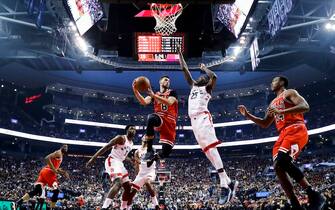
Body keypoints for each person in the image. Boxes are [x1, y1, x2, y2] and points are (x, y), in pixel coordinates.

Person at [238, 76, 326, 210]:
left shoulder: (289, 92)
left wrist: (282, 111)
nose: (272, 83)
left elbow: (305, 106)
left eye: (274, 80)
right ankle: (295, 204)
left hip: (296, 128)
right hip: (282, 134)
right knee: (278, 168)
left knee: (283, 161)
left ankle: (313, 194)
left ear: (282, 82)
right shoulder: (272, 103)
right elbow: (264, 123)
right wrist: (248, 115)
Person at [177, 46, 238, 205]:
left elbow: (214, 77)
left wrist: (206, 69)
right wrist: (179, 53)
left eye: (202, 76)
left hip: (203, 118)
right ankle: (228, 181)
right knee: (207, 152)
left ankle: (224, 185)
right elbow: (184, 69)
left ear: (205, 80)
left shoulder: (207, 88)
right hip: (194, 121)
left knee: (211, 148)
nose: (199, 77)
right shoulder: (194, 86)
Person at [86, 125, 136, 210]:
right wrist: (93, 158)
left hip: (120, 163)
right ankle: (104, 207)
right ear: (127, 130)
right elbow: (106, 147)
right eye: (131, 128)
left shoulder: (131, 143)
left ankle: (123, 207)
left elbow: (123, 155)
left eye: (134, 129)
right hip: (112, 160)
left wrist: (130, 160)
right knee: (118, 182)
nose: (133, 130)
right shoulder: (121, 138)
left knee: (128, 187)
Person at [133, 75, 178, 166]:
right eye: (165, 80)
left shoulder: (172, 92)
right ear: (160, 82)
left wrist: (153, 95)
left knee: (166, 152)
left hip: (170, 122)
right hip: (160, 118)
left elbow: (169, 102)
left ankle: (153, 158)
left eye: (169, 80)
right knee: (151, 118)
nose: (168, 81)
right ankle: (149, 150)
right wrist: (136, 91)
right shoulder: (155, 95)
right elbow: (144, 102)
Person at [16, 144, 69, 209]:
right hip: (49, 172)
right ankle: (52, 208)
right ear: (61, 147)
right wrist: (54, 169)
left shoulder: (60, 155)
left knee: (36, 190)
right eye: (64, 146)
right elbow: (47, 158)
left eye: (67, 147)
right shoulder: (58, 152)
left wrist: (63, 172)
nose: (66, 148)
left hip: (44, 171)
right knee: (56, 191)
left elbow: (55, 168)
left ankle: (19, 202)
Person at [121, 137, 158, 210]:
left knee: (147, 183)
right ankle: (127, 208)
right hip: (141, 173)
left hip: (150, 171)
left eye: (147, 140)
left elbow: (149, 162)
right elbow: (137, 165)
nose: (145, 141)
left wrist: (141, 161)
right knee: (131, 193)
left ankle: (156, 205)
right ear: (142, 140)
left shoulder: (152, 149)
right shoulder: (137, 151)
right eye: (144, 140)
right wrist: (137, 176)